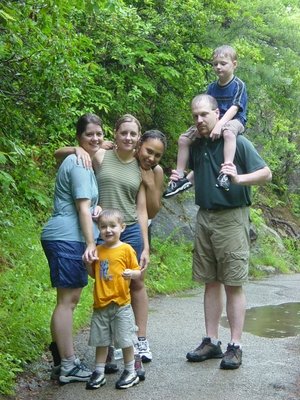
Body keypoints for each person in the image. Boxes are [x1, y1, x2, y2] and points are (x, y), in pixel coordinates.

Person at [170, 94, 272, 369]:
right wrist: (180, 179)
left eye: (204, 114)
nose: (200, 120)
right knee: (210, 281)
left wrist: (239, 178)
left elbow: (266, 173)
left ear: (218, 113)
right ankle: (211, 341)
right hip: (205, 217)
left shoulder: (236, 141)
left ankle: (235, 345)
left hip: (232, 218)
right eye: (195, 116)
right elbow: (198, 172)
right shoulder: (198, 144)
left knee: (232, 283)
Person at [54, 116, 165, 366]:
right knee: (107, 283)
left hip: (132, 229)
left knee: (136, 283)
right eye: (123, 132)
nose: (128, 137)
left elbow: (143, 210)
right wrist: (79, 148)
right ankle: (112, 344)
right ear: (114, 134)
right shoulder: (100, 156)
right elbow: (59, 154)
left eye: (133, 134)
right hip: (104, 230)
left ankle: (140, 339)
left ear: (138, 138)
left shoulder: (141, 166)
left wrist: (146, 246)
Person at [41, 113, 104, 384]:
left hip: (65, 236)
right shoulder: (79, 163)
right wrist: (91, 243)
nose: (95, 138)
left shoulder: (81, 158)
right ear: (79, 137)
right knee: (68, 302)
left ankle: (62, 361)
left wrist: (96, 210)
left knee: (65, 300)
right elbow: (81, 208)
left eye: (98, 134)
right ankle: (67, 365)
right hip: (68, 237)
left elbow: (87, 207)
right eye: (88, 134)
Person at [163, 45, 248, 198]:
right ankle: (180, 177)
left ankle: (225, 171)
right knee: (184, 139)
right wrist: (199, 127)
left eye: (223, 63)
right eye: (215, 64)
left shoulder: (238, 85)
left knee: (229, 133)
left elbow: (235, 108)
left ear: (234, 64)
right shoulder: (212, 87)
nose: (218, 67)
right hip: (213, 121)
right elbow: (206, 107)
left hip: (234, 120)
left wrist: (220, 125)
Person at [83, 208, 142, 390]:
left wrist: (131, 273)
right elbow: (94, 275)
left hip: (121, 303)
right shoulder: (98, 250)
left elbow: (138, 272)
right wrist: (87, 263)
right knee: (101, 340)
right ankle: (99, 372)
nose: (108, 230)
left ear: (122, 227)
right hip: (101, 303)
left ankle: (131, 370)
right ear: (98, 229)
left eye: (113, 226)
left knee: (125, 339)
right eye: (103, 227)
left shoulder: (126, 249)